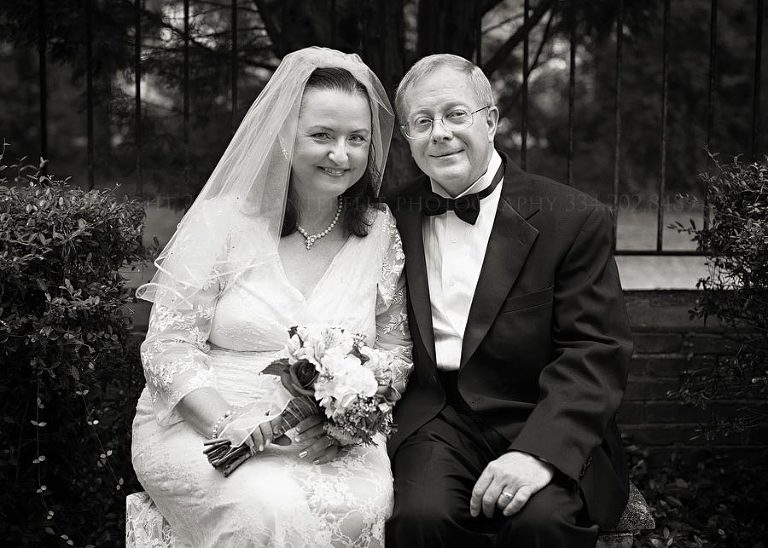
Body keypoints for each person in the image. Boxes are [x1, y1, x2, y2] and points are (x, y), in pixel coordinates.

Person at [130, 47, 412, 547]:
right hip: (204, 423)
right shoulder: (223, 222)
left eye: (357, 139)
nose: (340, 154)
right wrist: (227, 421)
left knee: (363, 504)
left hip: (326, 439)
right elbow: (168, 345)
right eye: (322, 135)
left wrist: (347, 422)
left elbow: (396, 351)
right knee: (268, 505)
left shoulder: (380, 232)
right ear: (285, 134)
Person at [385, 54, 633, 548]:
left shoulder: (572, 218)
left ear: (491, 121)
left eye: (457, 114)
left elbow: (595, 350)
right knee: (420, 519)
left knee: (541, 525)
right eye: (422, 121)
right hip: (437, 419)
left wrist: (539, 453)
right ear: (407, 138)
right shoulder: (392, 217)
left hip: (537, 412)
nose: (440, 133)